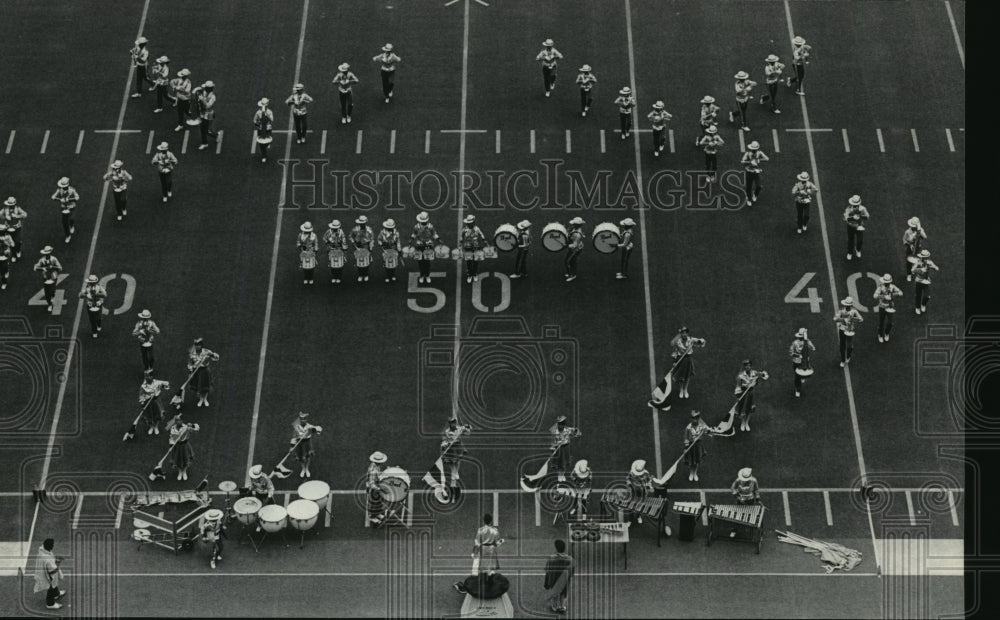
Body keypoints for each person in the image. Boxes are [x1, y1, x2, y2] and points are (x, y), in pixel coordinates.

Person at [670, 326, 706, 399]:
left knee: (687, 376)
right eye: (682, 333)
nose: (684, 335)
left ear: (687, 333)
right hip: (680, 360)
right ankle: (681, 390)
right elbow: (674, 350)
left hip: (688, 359)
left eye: (685, 333)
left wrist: (700, 341)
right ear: (681, 334)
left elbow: (702, 341)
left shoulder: (691, 340)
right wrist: (674, 362)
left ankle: (685, 390)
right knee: (680, 376)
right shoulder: (678, 341)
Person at [441, 416, 470, 502]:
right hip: (450, 454)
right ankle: (455, 492)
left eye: (454, 422)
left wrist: (467, 427)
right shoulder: (447, 432)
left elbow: (468, 432)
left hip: (458, 453)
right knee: (454, 473)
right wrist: (445, 444)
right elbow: (446, 441)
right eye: (451, 423)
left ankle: (454, 493)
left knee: (454, 473)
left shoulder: (458, 428)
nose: (453, 424)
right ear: (449, 424)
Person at [734, 360, 768, 432]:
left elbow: (765, 376)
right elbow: (738, 386)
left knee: (750, 408)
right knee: (743, 408)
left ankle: (747, 423)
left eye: (749, 365)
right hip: (743, 393)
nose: (748, 367)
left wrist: (762, 374)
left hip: (751, 393)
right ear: (744, 367)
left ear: (751, 366)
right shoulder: (740, 376)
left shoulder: (754, 373)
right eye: (746, 366)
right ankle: (743, 423)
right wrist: (737, 396)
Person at [33, 538, 66, 609]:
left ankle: (56, 594)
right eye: (52, 545)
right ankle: (50, 604)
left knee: (54, 584)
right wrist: (58, 562)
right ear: (49, 546)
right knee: (51, 587)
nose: (53, 546)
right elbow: (53, 571)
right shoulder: (47, 559)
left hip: (44, 571)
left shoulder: (43, 550)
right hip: (48, 575)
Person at [188, 337, 221, 407]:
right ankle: (201, 399)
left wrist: (213, 355)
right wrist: (190, 371)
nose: (197, 346)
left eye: (199, 345)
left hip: (205, 371)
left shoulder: (207, 351)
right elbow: (190, 363)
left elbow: (216, 358)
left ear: (201, 345)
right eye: (196, 345)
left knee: (205, 386)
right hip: (196, 372)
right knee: (198, 386)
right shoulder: (192, 353)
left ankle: (205, 399)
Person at [543, 539, 574, 613]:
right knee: (564, 593)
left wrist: (546, 581)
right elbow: (572, 572)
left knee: (555, 593)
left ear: (556, 548)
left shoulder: (551, 558)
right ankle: (562, 607)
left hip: (554, 579)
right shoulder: (570, 559)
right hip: (565, 580)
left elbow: (547, 570)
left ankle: (554, 607)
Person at [728, 467, 760, 538]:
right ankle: (734, 530)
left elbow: (756, 490)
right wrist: (738, 497)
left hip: (750, 499)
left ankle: (749, 528)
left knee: (750, 514)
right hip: (740, 499)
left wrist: (757, 497)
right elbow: (732, 488)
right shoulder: (738, 480)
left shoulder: (754, 480)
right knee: (738, 514)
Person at [410, 211, 440, 284]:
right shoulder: (416, 227)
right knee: (420, 262)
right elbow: (414, 234)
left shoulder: (430, 227)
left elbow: (434, 234)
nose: (424, 222)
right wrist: (411, 239)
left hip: (428, 245)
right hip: (419, 245)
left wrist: (438, 239)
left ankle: (427, 275)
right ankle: (422, 275)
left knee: (427, 262)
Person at [167, 412, 200, 481]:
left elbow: (197, 429)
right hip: (176, 446)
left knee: (186, 459)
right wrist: (170, 446)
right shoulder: (172, 428)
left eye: (179, 420)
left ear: (182, 420)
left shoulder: (186, 427)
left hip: (185, 446)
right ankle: (180, 471)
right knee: (177, 459)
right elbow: (171, 438)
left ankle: (184, 471)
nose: (178, 422)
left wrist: (192, 425)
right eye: (176, 420)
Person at [833, 297, 864, 367]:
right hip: (842, 329)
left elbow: (861, 319)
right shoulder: (841, 310)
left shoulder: (854, 311)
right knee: (842, 345)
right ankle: (842, 360)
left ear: (851, 305)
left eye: (848, 305)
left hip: (850, 330)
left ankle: (848, 355)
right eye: (846, 305)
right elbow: (835, 319)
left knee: (849, 345)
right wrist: (843, 319)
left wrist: (853, 319)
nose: (847, 306)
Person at [290, 412, 322, 478]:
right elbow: (294, 437)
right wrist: (291, 447)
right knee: (300, 457)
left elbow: (319, 430)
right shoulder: (296, 427)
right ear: (299, 419)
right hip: (299, 443)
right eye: (301, 419)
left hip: (307, 443)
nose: (303, 420)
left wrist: (317, 429)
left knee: (308, 457)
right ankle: (303, 469)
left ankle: (307, 469)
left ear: (306, 420)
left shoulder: (310, 426)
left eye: (304, 419)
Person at [873, 274, 904, 342]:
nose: (887, 283)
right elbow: (875, 296)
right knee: (881, 322)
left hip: (890, 307)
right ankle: (880, 335)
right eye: (886, 282)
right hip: (882, 307)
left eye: (888, 282)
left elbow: (901, 292)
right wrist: (884, 296)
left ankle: (887, 333)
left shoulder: (892, 287)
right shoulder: (880, 287)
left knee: (890, 323)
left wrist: (893, 295)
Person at [550, 416, 582, 482]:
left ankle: (562, 475)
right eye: (560, 424)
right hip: (558, 449)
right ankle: (559, 475)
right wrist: (553, 447)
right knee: (559, 464)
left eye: (562, 424)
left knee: (564, 463)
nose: (561, 426)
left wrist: (576, 432)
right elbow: (553, 441)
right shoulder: (554, 430)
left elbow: (578, 433)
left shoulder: (567, 429)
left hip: (565, 448)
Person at [32, 246, 62, 313]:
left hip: (53, 277)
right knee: (46, 293)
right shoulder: (42, 260)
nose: (46, 254)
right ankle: (50, 304)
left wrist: (53, 267)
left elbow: (60, 268)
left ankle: (52, 297)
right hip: (45, 278)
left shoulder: (54, 259)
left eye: (48, 253)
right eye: (45, 253)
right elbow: (35, 268)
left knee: (52, 290)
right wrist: (42, 268)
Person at [139, 370, 169, 435]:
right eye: (146, 376)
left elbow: (166, 384)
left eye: (148, 376)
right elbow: (141, 395)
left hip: (156, 401)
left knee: (157, 413)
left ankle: (156, 427)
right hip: (147, 402)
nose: (147, 378)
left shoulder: (157, 382)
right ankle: (151, 427)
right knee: (149, 415)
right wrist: (142, 402)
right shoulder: (143, 386)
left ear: (152, 377)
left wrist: (161, 387)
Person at [683, 410, 711, 481]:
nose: (695, 419)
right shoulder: (688, 427)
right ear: (691, 418)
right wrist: (686, 448)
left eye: (696, 418)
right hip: (690, 446)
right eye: (693, 418)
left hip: (698, 446)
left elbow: (709, 432)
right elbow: (686, 438)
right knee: (691, 461)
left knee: (697, 461)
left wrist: (708, 430)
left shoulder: (702, 426)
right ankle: (691, 473)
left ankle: (695, 473)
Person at [910, 249, 940, 315]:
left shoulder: (929, 262)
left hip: (926, 281)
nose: (925, 259)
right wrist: (920, 269)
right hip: (918, 281)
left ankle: (923, 304)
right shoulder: (917, 262)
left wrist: (934, 267)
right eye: (924, 258)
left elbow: (936, 267)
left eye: (926, 258)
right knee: (918, 295)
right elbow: (912, 270)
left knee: (927, 296)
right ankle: (917, 307)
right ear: (921, 257)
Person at [50, 177, 79, 244]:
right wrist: (59, 199)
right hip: (64, 208)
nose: (63, 188)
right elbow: (53, 197)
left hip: (71, 206)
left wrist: (69, 199)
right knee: (64, 223)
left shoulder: (72, 190)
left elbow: (77, 197)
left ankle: (72, 225)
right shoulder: (59, 190)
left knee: (72, 219)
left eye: (64, 186)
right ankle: (67, 236)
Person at [740, 141, 769, 206]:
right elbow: (742, 161)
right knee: (749, 187)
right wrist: (750, 162)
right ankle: (749, 199)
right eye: (753, 149)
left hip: (756, 171)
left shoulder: (759, 152)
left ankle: (755, 194)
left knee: (759, 186)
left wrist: (759, 159)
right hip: (749, 171)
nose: (754, 150)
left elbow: (767, 158)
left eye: (755, 149)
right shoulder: (747, 153)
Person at [788, 329, 816, 397]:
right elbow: (791, 353)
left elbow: (813, 347)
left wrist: (810, 347)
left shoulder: (806, 342)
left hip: (804, 362)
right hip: (797, 361)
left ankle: (802, 378)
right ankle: (798, 389)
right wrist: (799, 355)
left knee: (803, 372)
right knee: (797, 376)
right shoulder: (795, 343)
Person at [460, 214, 486, 283]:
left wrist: (484, 240)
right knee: (469, 261)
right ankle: (469, 274)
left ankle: (474, 274)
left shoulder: (477, 229)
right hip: (468, 246)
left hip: (475, 246)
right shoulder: (465, 229)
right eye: (468, 223)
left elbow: (481, 234)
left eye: (470, 223)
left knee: (475, 260)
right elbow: (461, 236)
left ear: (473, 222)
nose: (469, 224)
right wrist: (460, 243)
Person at [0, 196, 27, 261]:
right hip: (8, 228)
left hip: (17, 228)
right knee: (11, 243)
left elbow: (25, 214)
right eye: (9, 205)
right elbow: (0, 214)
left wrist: (17, 216)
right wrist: (5, 217)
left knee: (18, 241)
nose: (10, 206)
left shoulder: (18, 208)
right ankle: (14, 255)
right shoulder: (5, 209)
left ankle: (18, 250)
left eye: (12, 205)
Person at [843, 195, 870, 260]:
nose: (855, 206)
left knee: (860, 240)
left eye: (856, 204)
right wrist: (852, 217)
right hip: (850, 226)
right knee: (851, 241)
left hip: (859, 226)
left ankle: (858, 249)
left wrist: (860, 216)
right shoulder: (848, 209)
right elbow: (845, 218)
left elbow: (867, 217)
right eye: (854, 204)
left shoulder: (862, 208)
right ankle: (850, 253)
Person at [350, 215, 375, 283]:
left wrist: (370, 247)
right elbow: (351, 237)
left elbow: (372, 239)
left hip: (366, 246)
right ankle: (360, 275)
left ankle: (366, 274)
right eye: (361, 223)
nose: (362, 224)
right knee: (359, 261)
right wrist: (353, 243)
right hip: (358, 246)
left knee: (366, 261)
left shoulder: (369, 230)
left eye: (363, 223)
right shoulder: (355, 229)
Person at [193, 81, 217, 149]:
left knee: (206, 130)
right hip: (202, 113)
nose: (205, 89)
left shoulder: (213, 97)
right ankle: (205, 143)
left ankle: (216, 136)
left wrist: (202, 100)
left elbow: (208, 106)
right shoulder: (204, 93)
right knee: (202, 129)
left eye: (206, 88)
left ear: (210, 89)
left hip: (209, 114)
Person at [902, 217, 927, 281]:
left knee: (919, 261)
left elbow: (925, 237)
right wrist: (909, 245)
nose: (912, 227)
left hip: (918, 249)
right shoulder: (907, 232)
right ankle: (909, 274)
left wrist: (919, 231)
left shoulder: (920, 230)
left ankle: (918, 274)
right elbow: (904, 240)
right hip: (909, 249)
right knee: (908, 262)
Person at [366, 451, 388, 525]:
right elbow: (371, 484)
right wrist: (379, 489)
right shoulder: (373, 470)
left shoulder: (376, 466)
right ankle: (372, 517)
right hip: (373, 489)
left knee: (378, 502)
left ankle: (377, 514)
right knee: (373, 503)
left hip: (377, 486)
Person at [378, 219, 402, 283]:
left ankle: (393, 275)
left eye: (391, 227)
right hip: (386, 249)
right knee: (387, 263)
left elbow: (398, 242)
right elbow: (379, 239)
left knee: (393, 263)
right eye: (388, 227)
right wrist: (381, 244)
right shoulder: (382, 232)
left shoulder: (396, 233)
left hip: (393, 249)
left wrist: (399, 250)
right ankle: (388, 276)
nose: (390, 229)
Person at [253, 98, 275, 163]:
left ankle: (268, 144)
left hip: (268, 128)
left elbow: (272, 120)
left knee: (268, 141)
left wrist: (266, 115)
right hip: (261, 129)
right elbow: (254, 120)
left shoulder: (269, 112)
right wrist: (258, 124)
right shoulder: (258, 112)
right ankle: (264, 156)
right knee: (261, 144)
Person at [564, 217, 585, 282]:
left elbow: (574, 245)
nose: (572, 225)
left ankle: (572, 275)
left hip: (576, 250)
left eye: (574, 224)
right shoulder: (574, 229)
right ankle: (570, 273)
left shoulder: (577, 234)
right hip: (575, 248)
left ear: (577, 225)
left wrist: (566, 246)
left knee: (569, 261)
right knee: (569, 261)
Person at [0, 225, 13, 290]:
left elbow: (12, 244)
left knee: (3, 271)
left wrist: (5, 242)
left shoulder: (7, 237)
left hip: (4, 256)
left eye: (2, 231)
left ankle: (4, 282)